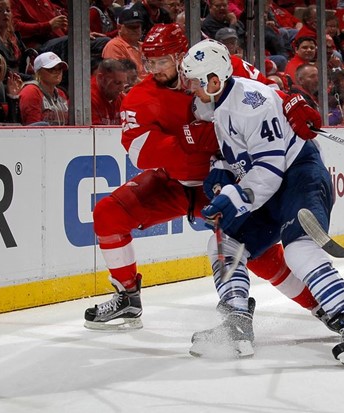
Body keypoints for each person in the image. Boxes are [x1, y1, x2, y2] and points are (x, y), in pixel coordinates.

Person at [83, 23, 323, 335]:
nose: (154, 69)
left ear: (181, 55)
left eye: (162, 61)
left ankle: (319, 305)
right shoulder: (139, 99)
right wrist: (188, 141)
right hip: (176, 184)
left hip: (225, 179)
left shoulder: (221, 64)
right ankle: (127, 296)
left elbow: (266, 96)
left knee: (258, 253)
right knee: (108, 213)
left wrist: (292, 101)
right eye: (149, 62)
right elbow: (140, 154)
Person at [181, 39, 344, 365]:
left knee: (299, 249)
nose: (191, 89)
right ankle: (236, 323)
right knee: (223, 242)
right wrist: (220, 175)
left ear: (213, 80)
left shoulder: (251, 103)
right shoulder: (218, 105)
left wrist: (234, 196)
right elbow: (235, 156)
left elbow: (269, 171)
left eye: (194, 82)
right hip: (268, 187)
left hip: (298, 177)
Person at [19, 51, 69, 125]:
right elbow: (33, 127)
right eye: (51, 69)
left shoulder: (61, 93)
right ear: (38, 72)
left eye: (59, 69)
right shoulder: (31, 92)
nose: (57, 72)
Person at [101, 8, 147, 81]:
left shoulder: (145, 46)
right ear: (119, 27)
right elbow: (119, 78)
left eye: (138, 26)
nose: (136, 30)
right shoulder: (114, 46)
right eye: (131, 26)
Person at [91, 58, 126, 125]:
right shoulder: (88, 99)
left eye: (123, 83)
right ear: (101, 78)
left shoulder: (120, 97)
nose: (121, 88)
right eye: (117, 82)